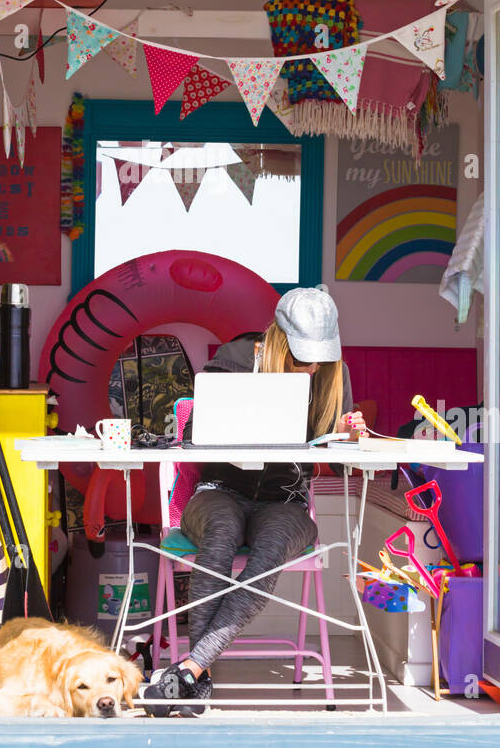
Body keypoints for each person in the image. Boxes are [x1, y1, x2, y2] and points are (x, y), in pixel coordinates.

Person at [141, 285, 367, 717]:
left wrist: (348, 437)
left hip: (286, 500)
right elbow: (191, 440)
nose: (312, 367)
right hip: (219, 491)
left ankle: (190, 669)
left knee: (271, 548)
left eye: (319, 359)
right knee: (223, 532)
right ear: (280, 340)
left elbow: (338, 467)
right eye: (302, 358)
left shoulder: (333, 374)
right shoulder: (236, 359)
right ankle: (196, 671)